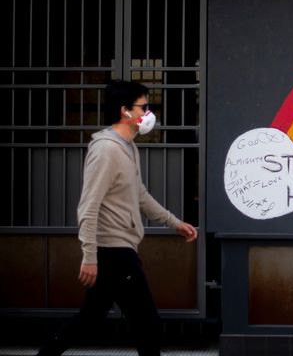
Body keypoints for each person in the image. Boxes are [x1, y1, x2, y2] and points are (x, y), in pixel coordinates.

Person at [38, 80, 198, 356]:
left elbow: (140, 194)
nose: (148, 113)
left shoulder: (127, 147)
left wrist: (175, 222)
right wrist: (89, 256)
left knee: (90, 318)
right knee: (148, 323)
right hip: (114, 251)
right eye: (143, 107)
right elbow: (88, 205)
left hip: (117, 249)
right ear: (125, 111)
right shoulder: (106, 150)